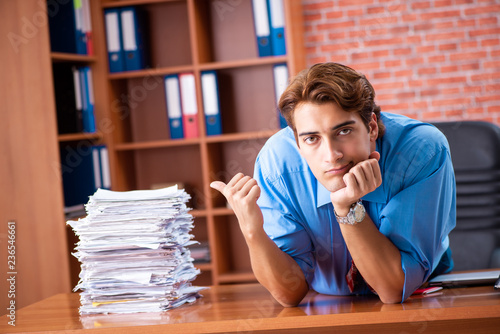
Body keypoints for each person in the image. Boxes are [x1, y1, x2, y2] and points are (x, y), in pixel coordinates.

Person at [210, 62, 455, 306]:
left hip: (420, 299)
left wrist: (346, 208)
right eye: (312, 138)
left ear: (370, 127)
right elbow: (289, 294)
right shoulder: (277, 163)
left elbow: (392, 289)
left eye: (344, 131)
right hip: (328, 304)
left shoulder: (421, 151)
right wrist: (252, 231)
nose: (331, 154)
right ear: (297, 143)